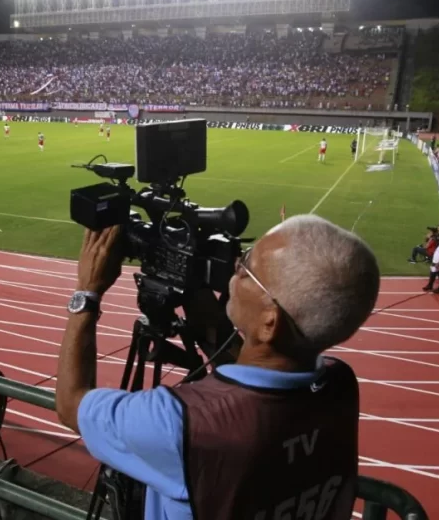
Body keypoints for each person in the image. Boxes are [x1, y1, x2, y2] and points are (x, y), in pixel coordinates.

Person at [55, 215, 380, 520]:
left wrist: (87, 291)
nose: (235, 269)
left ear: (270, 322)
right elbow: (255, 380)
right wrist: (194, 287)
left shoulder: (183, 423)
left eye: (248, 270)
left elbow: (71, 404)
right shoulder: (340, 386)